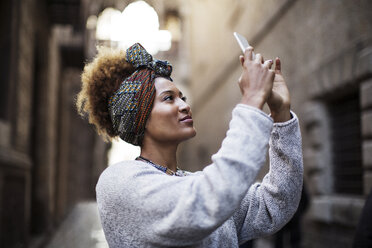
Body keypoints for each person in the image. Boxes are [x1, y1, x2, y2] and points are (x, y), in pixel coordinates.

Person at [76, 43, 303, 247]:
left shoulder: (193, 182)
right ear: (139, 117)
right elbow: (204, 205)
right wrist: (252, 101)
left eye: (182, 97)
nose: (184, 106)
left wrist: (280, 113)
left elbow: (275, 203)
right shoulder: (118, 183)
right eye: (168, 98)